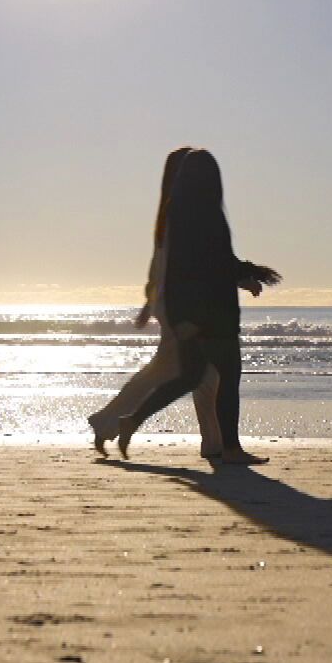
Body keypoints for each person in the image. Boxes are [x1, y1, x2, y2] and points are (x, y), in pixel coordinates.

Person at [114, 149, 279, 464]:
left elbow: (196, 265)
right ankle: (230, 449)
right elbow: (207, 265)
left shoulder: (177, 212)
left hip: (193, 313)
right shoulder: (205, 213)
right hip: (214, 314)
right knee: (228, 377)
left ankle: (131, 422)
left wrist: (246, 274)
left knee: (188, 378)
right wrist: (245, 274)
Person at [87, 147, 225, 457]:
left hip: (171, 303)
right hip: (181, 305)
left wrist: (150, 304)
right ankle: (112, 422)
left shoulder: (170, 212)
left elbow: (159, 265)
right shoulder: (181, 212)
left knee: (174, 371)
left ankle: (109, 422)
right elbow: (175, 265)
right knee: (197, 372)